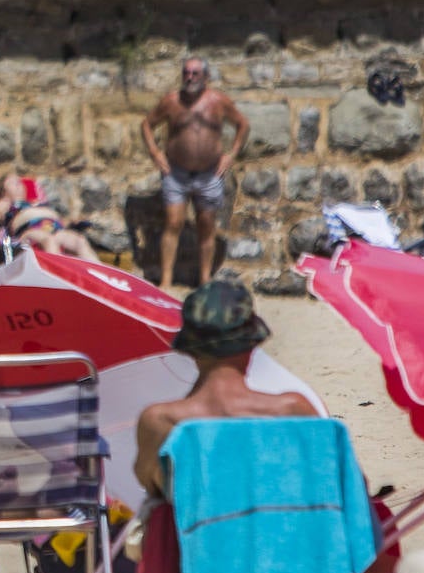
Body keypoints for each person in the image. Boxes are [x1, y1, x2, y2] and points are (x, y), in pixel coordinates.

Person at [132, 278, 316, 500]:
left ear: (189, 351)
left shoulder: (161, 422)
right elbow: (343, 483)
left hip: (196, 534)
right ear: (252, 343)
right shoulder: (292, 410)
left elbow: (151, 486)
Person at [141, 57, 250, 290]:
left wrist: (231, 154)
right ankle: (167, 280)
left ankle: (204, 280)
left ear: (206, 77)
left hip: (209, 173)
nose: (190, 78)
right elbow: (147, 125)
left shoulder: (218, 101)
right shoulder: (171, 101)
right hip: (176, 172)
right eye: (186, 73)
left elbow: (242, 124)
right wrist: (155, 153)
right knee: (173, 222)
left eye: (195, 73)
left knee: (206, 225)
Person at [0, 171, 100, 262]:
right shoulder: (6, 203)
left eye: (19, 182)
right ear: (3, 191)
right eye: (14, 183)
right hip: (28, 232)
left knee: (79, 240)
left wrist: (71, 223)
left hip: (55, 228)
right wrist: (0, 206)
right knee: (48, 240)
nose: (19, 184)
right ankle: (58, 273)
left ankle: (100, 275)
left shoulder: (34, 203)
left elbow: (58, 220)